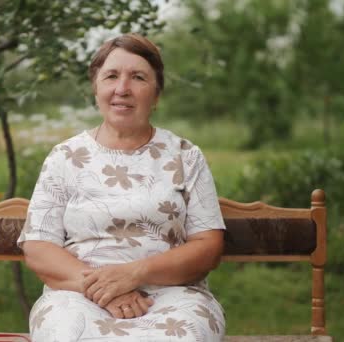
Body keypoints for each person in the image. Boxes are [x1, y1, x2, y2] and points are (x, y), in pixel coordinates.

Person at [17, 33, 226, 341]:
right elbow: (38, 248)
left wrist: (133, 274)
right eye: (111, 76)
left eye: (138, 77)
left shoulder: (185, 156)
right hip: (76, 295)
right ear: (96, 88)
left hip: (173, 296)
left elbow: (208, 247)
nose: (122, 89)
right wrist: (106, 289)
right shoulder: (65, 157)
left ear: (156, 95)